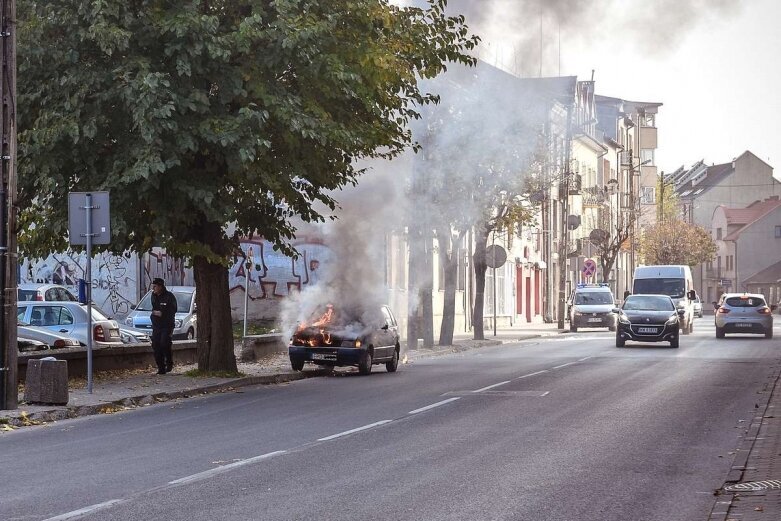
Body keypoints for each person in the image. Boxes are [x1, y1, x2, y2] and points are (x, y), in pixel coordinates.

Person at [150, 277, 177, 374]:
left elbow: (173, 310)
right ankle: (161, 367)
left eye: (155, 286)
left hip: (167, 325)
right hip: (157, 325)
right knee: (156, 345)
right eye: (153, 286)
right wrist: (155, 314)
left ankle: (169, 363)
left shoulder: (169, 296)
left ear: (160, 286)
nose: (154, 288)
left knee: (164, 343)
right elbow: (154, 310)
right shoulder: (153, 296)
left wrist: (163, 313)